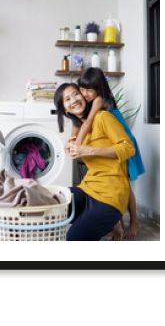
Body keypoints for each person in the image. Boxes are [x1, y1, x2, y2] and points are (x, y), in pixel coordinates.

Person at [65, 67, 145, 239]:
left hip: (121, 137)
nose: (85, 93)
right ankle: (117, 224)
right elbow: (78, 126)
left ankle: (134, 223)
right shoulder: (84, 109)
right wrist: (71, 141)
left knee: (124, 181)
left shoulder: (99, 102)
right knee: (114, 177)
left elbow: (86, 126)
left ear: (98, 88)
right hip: (111, 143)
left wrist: (80, 145)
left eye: (89, 89)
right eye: (82, 89)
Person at [54, 82, 135, 241]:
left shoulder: (103, 117)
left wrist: (89, 150)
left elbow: (128, 148)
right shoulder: (79, 130)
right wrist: (72, 146)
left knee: (73, 238)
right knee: (55, 202)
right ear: (64, 108)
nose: (74, 100)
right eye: (67, 99)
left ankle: (108, 220)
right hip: (88, 188)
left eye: (76, 94)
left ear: (84, 95)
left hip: (111, 194)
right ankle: (103, 222)